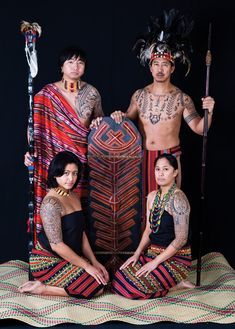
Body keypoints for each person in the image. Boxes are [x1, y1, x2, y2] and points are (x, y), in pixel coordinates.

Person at [110, 9, 215, 193]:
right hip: (142, 157)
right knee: (144, 209)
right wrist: (118, 115)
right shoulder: (139, 95)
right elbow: (126, 119)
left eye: (165, 65)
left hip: (169, 158)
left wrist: (210, 111)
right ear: (150, 68)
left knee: (167, 210)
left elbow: (201, 129)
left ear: (172, 68)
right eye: (156, 64)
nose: (160, 69)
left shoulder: (182, 98)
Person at [24, 46, 104, 234]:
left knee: (78, 206)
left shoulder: (92, 93)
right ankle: (50, 248)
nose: (76, 66)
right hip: (53, 161)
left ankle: (76, 248)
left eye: (80, 62)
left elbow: (99, 122)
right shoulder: (46, 94)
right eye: (70, 62)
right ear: (61, 67)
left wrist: (98, 121)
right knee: (53, 205)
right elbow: (33, 127)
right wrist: (30, 151)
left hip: (81, 160)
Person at [19, 151, 109, 298]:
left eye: (75, 173)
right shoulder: (51, 203)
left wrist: (94, 262)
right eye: (66, 173)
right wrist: (87, 266)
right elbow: (56, 245)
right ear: (56, 173)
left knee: (104, 279)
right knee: (97, 288)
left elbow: (81, 233)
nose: (71, 179)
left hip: (68, 256)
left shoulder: (73, 196)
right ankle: (42, 288)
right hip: (47, 260)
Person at [111, 153, 194, 299]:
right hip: (153, 253)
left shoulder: (178, 198)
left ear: (175, 172)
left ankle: (177, 283)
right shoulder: (152, 196)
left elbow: (181, 239)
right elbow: (149, 228)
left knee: (133, 286)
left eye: (166, 169)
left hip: (176, 259)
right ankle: (169, 283)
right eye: (157, 169)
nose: (160, 174)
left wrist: (155, 263)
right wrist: (137, 254)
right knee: (119, 277)